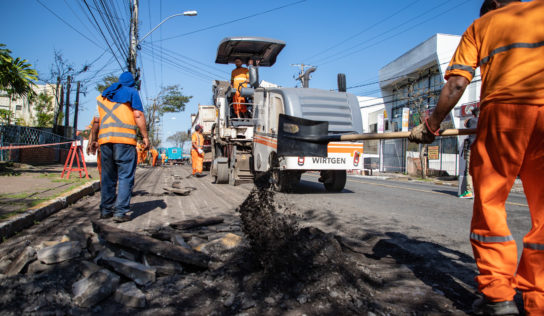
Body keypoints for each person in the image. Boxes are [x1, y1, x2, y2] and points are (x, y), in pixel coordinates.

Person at [409, 1, 544, 314]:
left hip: (506, 114)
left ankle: (499, 295)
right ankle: (539, 299)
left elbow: (457, 83)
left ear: (493, 5)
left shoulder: (481, 26)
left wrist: (431, 125)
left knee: (490, 203)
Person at [89, 71, 149, 223]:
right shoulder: (131, 92)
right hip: (125, 141)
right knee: (125, 176)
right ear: (131, 82)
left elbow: (96, 121)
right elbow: (138, 115)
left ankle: (105, 210)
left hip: (105, 141)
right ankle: (120, 212)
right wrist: (145, 137)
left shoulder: (103, 96)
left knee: (107, 177)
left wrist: (93, 140)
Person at [459, 108, 479, 199]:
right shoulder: (486, 121)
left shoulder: (471, 121)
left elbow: (465, 123)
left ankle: (469, 191)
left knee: (469, 170)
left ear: (473, 114)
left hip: (472, 147)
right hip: (483, 149)